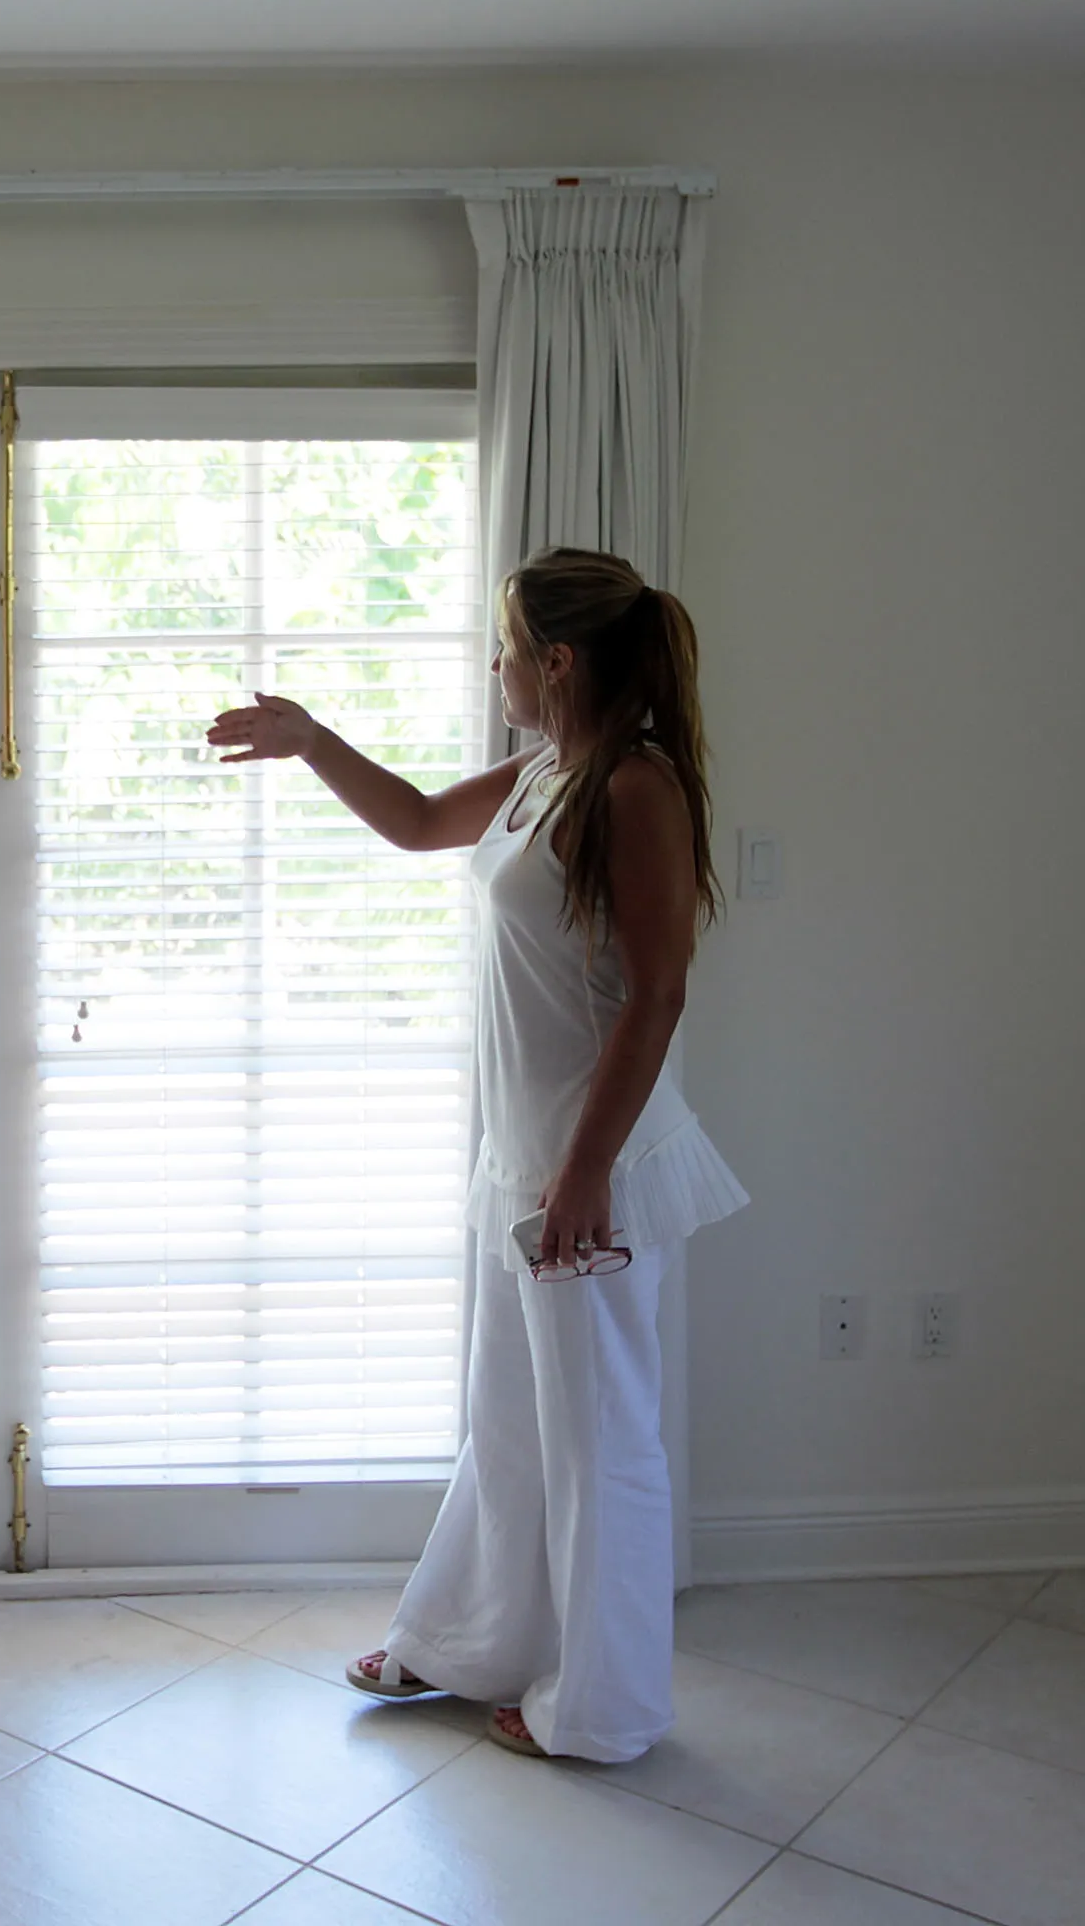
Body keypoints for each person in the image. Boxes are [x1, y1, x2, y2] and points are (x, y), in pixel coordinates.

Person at [207, 544, 747, 1764]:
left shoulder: (633, 787)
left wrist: (586, 1171)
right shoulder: (548, 769)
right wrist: (310, 737)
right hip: (531, 1155)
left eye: (504, 645)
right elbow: (412, 822)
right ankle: (472, 1642)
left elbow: (657, 995)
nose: (491, 663)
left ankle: (601, 1710)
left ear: (556, 660)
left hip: (588, 1166)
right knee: (509, 1420)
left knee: (601, 1439)